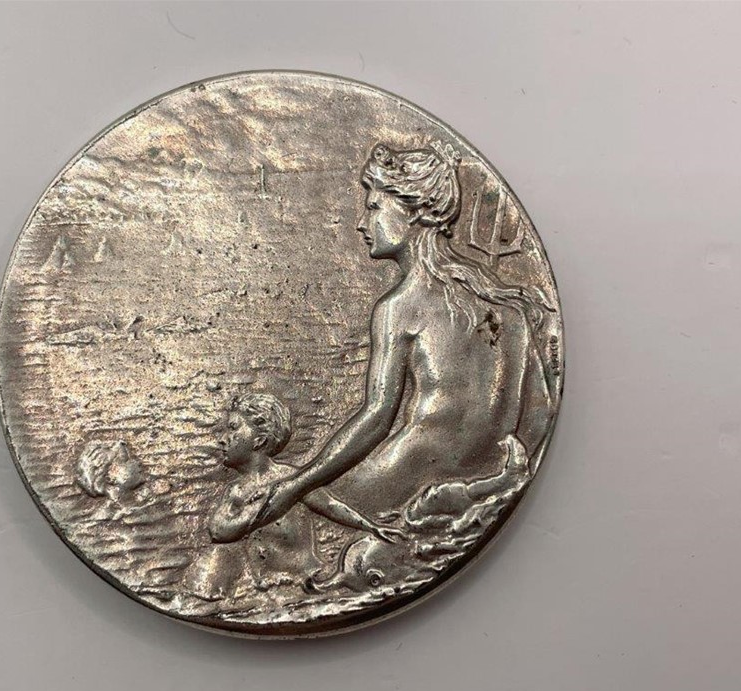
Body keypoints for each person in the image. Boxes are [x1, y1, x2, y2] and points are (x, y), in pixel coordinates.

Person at [229, 142, 558, 540]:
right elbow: (539, 416)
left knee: (265, 506)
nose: (362, 224)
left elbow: (377, 419)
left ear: (414, 212)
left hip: (404, 474)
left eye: (373, 207)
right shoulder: (509, 308)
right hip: (484, 474)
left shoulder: (400, 307)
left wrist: (295, 486)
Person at [183, 393, 401, 599]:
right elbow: (218, 531)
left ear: (259, 439)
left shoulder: (291, 479)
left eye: (233, 428)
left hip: (305, 580)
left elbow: (330, 505)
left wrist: (371, 526)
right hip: (267, 587)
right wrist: (259, 508)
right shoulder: (235, 492)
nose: (222, 439)